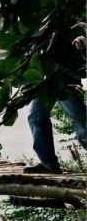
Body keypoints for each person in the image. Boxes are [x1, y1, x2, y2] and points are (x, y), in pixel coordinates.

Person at [25, 29, 87, 174]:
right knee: (36, 116)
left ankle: (48, 163)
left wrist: (82, 40)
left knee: (83, 125)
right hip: (43, 79)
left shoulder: (65, 15)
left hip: (66, 79)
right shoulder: (36, 20)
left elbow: (82, 30)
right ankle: (48, 163)